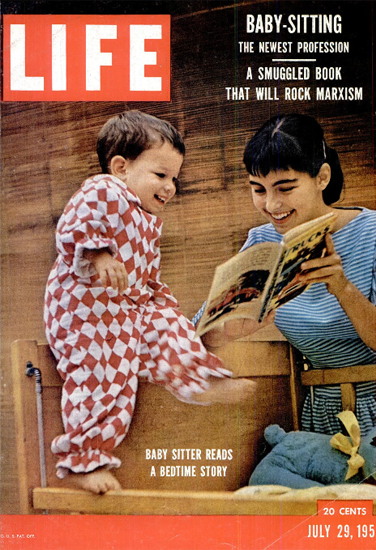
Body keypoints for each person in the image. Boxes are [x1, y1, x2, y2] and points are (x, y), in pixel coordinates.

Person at [44, 110, 255, 494]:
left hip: (126, 310)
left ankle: (199, 378)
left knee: (169, 325)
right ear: (121, 167)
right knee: (102, 380)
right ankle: (83, 459)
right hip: (83, 314)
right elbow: (74, 226)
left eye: (175, 178)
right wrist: (98, 256)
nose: (170, 186)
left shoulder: (145, 220)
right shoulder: (104, 190)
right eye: (161, 175)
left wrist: (162, 305)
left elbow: (145, 275)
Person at [197, 113, 376, 436]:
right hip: (322, 413)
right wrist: (230, 329)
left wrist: (342, 287)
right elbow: (194, 334)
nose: (271, 204)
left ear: (321, 177)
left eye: (285, 188)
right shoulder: (261, 242)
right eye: (258, 189)